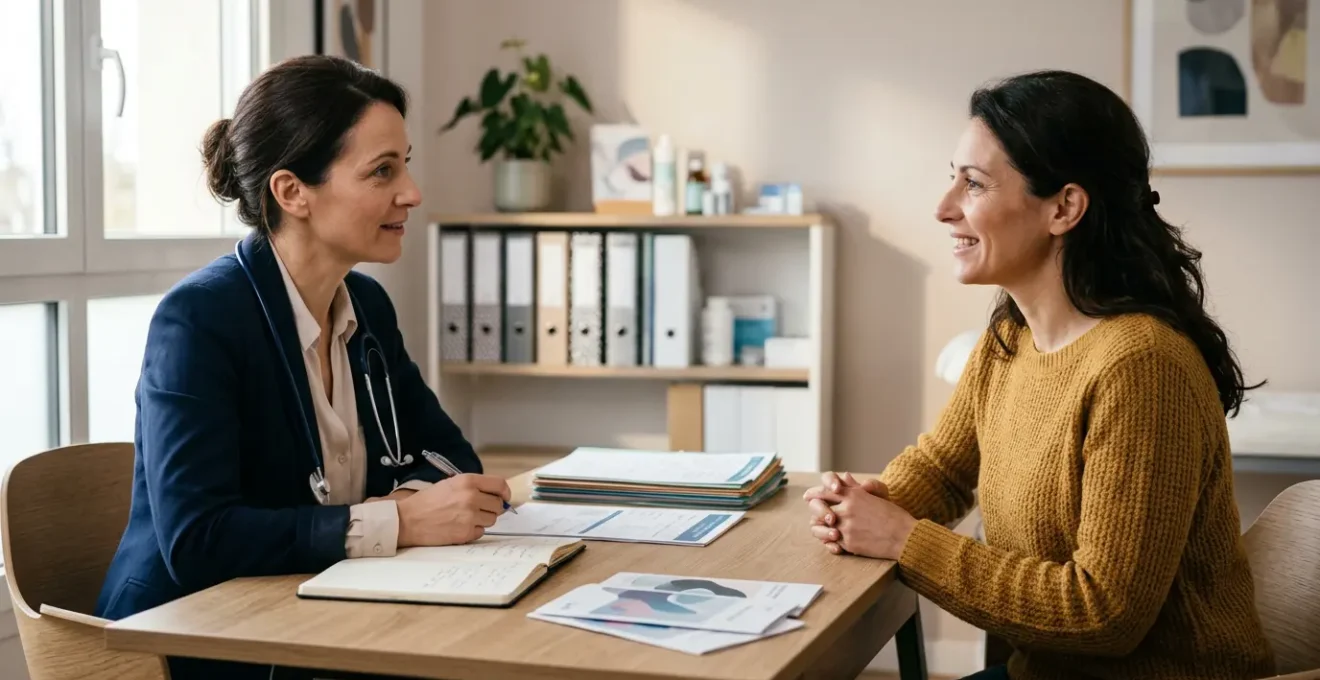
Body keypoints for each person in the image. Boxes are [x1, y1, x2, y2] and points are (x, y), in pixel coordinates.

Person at [804, 70, 1275, 680]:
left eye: (972, 184)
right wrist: (868, 505)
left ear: (1063, 207)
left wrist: (903, 540)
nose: (943, 208)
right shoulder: (1011, 339)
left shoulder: (1142, 369)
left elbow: (1104, 611)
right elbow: (943, 468)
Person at [95, 55, 511, 680]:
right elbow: (198, 541)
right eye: (382, 171)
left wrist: (408, 508)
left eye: (405, 164)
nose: (412, 193)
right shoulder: (199, 321)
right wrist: (393, 521)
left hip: (320, 622)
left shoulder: (366, 306)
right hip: (195, 646)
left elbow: (450, 456)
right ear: (292, 192)